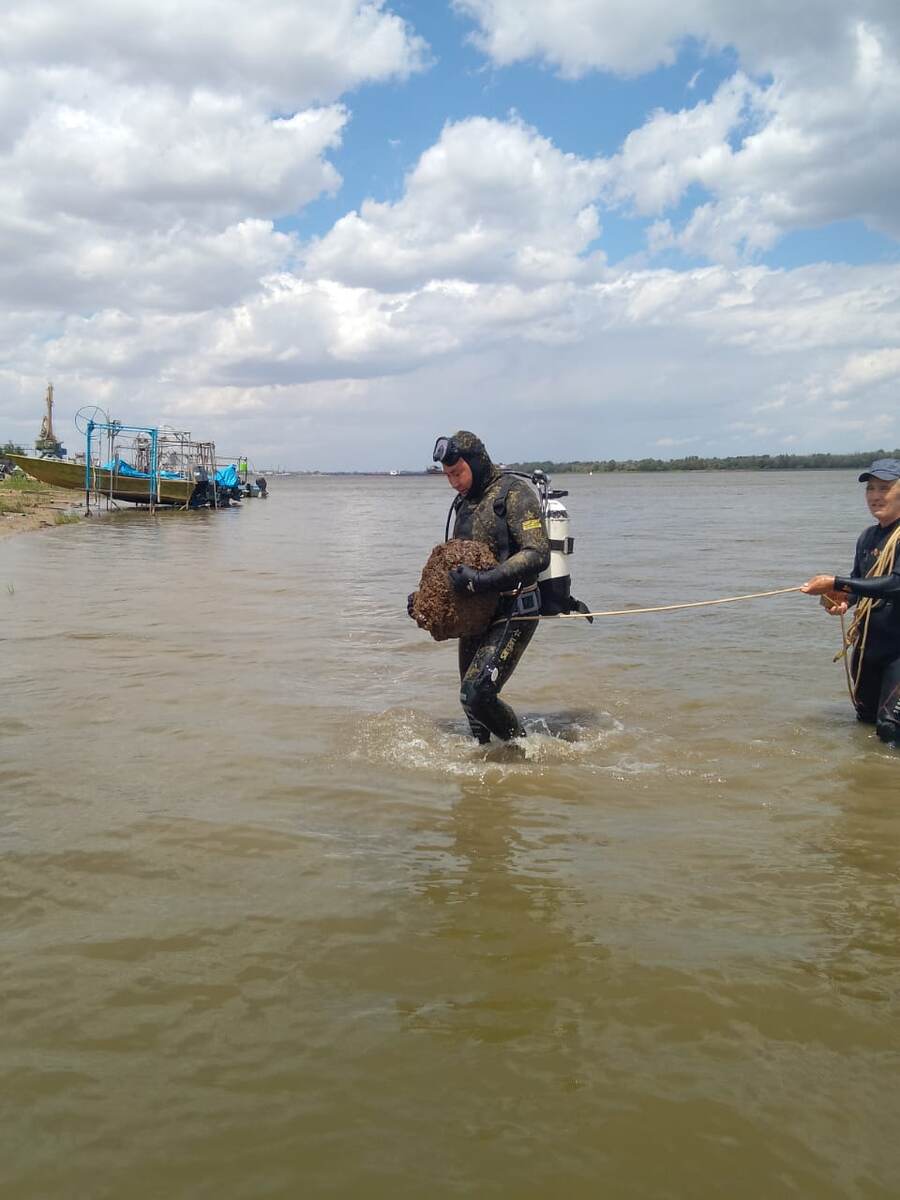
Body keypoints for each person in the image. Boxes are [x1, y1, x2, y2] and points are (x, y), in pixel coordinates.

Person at [408, 431, 550, 743]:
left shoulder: (515, 494)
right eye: (448, 475)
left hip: (516, 608)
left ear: (475, 462)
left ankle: (525, 753)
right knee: (471, 706)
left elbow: (538, 553)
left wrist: (482, 580)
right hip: (476, 615)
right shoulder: (463, 503)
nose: (453, 482)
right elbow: (452, 565)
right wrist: (423, 601)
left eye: (457, 472)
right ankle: (484, 764)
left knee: (476, 694)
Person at [801, 457, 900, 745]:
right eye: (870, 488)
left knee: (890, 727)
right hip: (869, 646)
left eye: (884, 488)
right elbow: (860, 583)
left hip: (898, 652)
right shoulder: (867, 537)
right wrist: (843, 599)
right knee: (864, 720)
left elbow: (895, 584)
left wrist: (835, 582)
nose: (875, 496)